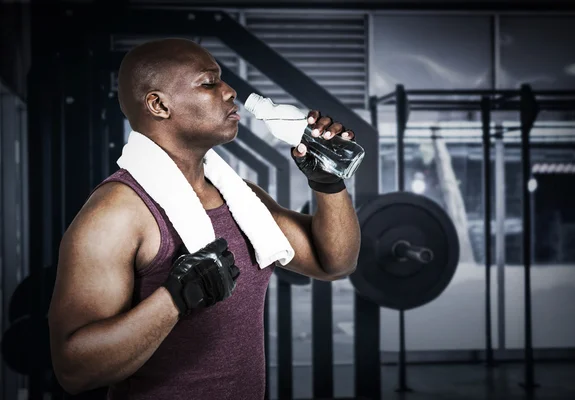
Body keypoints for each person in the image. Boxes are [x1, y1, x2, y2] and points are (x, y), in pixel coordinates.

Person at [48, 38, 361, 400]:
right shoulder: (118, 213)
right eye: (209, 83)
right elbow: (73, 370)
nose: (230, 92)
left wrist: (327, 183)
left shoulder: (241, 198)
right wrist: (173, 301)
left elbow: (334, 262)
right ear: (159, 104)